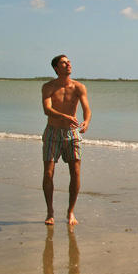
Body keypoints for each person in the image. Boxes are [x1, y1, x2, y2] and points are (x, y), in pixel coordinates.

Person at [41, 55, 91, 225]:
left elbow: (87, 109)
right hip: (52, 132)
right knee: (48, 172)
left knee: (75, 172)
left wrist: (86, 122)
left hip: (72, 133)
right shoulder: (48, 87)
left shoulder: (78, 87)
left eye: (69, 62)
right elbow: (47, 109)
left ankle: (70, 212)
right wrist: (64, 116)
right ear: (56, 68)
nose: (68, 64)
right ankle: (50, 212)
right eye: (64, 62)